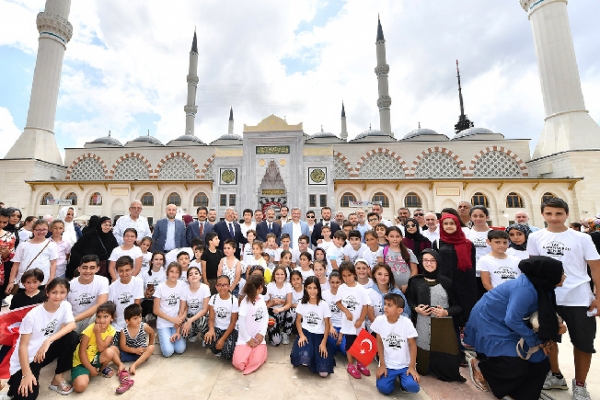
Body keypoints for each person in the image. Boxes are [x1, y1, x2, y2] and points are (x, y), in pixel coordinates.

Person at [464, 257, 566, 400]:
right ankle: (481, 366)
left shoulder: (543, 285)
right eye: (561, 273)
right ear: (548, 273)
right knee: (514, 365)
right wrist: (535, 341)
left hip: (510, 323)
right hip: (490, 322)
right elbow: (512, 320)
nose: (564, 276)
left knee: (541, 362)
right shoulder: (525, 289)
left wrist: (546, 337)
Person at [527, 198, 600, 397]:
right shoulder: (535, 238)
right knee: (548, 340)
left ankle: (581, 384)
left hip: (579, 298)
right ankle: (555, 375)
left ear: (567, 214)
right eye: (549, 213)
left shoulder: (582, 238)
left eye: (559, 213)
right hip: (550, 299)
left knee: (583, 343)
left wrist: (598, 296)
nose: (554, 218)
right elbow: (535, 270)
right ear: (542, 215)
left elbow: (596, 268)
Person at [5, 278, 79, 399]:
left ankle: (57, 378)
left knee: (72, 337)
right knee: (27, 396)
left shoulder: (65, 305)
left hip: (45, 351)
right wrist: (26, 374)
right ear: (47, 292)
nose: (58, 296)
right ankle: (14, 383)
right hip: (28, 358)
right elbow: (22, 346)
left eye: (62, 292)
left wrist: (48, 340)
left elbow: (72, 325)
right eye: (54, 292)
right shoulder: (32, 315)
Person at [406, 249, 464, 382]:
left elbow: (459, 306)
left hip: (444, 327)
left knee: (448, 367)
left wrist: (446, 312)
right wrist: (416, 309)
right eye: (425, 260)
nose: (429, 263)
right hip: (422, 325)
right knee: (422, 368)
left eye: (432, 260)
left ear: (438, 262)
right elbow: (409, 300)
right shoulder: (415, 281)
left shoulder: (447, 282)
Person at [71, 301, 132, 394]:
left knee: (112, 350)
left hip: (95, 356)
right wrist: (90, 368)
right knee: (80, 387)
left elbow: (101, 348)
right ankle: (87, 373)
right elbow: (81, 352)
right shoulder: (90, 329)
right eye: (99, 316)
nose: (101, 320)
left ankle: (103, 368)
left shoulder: (111, 330)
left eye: (106, 316)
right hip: (82, 362)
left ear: (112, 317)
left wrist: (97, 333)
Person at [372, 293, 421, 395]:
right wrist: (382, 365)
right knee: (384, 389)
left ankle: (404, 380)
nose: (385, 307)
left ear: (399, 310)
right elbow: (379, 343)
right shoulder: (379, 321)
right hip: (388, 364)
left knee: (413, 387)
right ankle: (393, 378)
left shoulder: (406, 322)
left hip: (405, 365)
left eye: (389, 305)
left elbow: (412, 345)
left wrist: (411, 367)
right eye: (385, 304)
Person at [290, 276, 335, 377]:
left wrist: (323, 342)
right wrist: (301, 335)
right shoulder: (302, 303)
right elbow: (298, 321)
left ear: (319, 289)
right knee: (304, 360)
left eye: (315, 288)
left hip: (320, 335)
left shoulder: (323, 305)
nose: (312, 291)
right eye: (309, 288)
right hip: (306, 333)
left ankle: (317, 358)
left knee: (323, 373)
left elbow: (327, 324)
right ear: (305, 288)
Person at [336, 261, 371, 379]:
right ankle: (350, 365)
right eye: (344, 276)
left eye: (349, 275)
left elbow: (365, 306)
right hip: (348, 324)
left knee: (360, 344)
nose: (347, 278)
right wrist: (346, 311)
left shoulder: (361, 289)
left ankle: (360, 363)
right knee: (349, 344)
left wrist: (361, 320)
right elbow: (338, 303)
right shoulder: (342, 288)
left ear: (354, 274)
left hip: (359, 324)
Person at [6, 220, 57, 294]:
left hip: (42, 281)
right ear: (33, 230)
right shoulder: (23, 245)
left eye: (44, 229)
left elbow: (53, 263)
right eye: (38, 229)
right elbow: (16, 264)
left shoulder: (52, 245)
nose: (41, 232)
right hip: (23, 281)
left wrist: (51, 279)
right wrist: (11, 282)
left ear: (48, 230)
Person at [232, 274, 269, 375]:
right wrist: (248, 339)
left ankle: (257, 352)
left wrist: (262, 333)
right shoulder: (245, 302)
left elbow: (265, 317)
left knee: (256, 361)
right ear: (260, 287)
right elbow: (241, 323)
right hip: (245, 338)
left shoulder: (261, 299)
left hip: (258, 338)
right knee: (239, 364)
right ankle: (249, 352)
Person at [67, 254, 110, 333]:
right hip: (74, 320)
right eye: (85, 267)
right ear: (79, 269)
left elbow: (100, 305)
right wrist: (72, 320)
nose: (88, 271)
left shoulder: (102, 281)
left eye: (92, 268)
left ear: (98, 269)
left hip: (91, 319)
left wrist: (74, 319)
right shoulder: (69, 285)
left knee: (101, 315)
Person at [153, 262, 187, 357]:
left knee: (180, 349)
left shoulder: (183, 285)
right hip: (164, 323)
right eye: (171, 271)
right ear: (167, 272)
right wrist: (173, 319)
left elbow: (185, 306)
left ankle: (170, 337)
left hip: (177, 323)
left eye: (177, 272)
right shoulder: (160, 287)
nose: (174, 274)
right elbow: (156, 310)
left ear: (180, 274)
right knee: (168, 352)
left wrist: (180, 320)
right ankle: (160, 337)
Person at [108, 256, 144, 343]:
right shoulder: (112, 287)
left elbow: (137, 304)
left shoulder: (138, 282)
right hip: (117, 326)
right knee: (116, 350)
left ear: (132, 269)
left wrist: (133, 323)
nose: (124, 273)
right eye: (121, 271)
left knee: (137, 349)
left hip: (133, 323)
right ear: (117, 271)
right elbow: (110, 307)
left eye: (127, 270)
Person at [367, 263, 410, 333]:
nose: (383, 277)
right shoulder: (369, 292)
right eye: (379, 274)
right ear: (374, 275)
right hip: (375, 331)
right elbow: (370, 315)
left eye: (386, 275)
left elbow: (405, 313)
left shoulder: (397, 293)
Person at [204, 275, 239, 359]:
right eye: (219, 285)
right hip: (217, 328)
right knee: (208, 340)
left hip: (229, 329)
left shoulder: (233, 300)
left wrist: (223, 339)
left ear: (229, 286)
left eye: (225, 285)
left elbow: (233, 322)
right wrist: (211, 330)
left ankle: (225, 345)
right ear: (216, 286)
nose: (222, 287)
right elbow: (211, 318)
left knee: (228, 354)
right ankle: (218, 348)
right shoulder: (214, 298)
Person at [119, 303, 155, 375]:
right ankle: (139, 359)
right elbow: (123, 346)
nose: (139, 320)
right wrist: (134, 350)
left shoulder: (143, 326)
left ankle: (134, 365)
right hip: (130, 351)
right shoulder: (124, 331)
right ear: (127, 321)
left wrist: (149, 345)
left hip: (141, 351)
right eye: (135, 318)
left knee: (151, 348)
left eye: (140, 317)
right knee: (117, 353)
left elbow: (152, 332)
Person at [383, 226, 418, 293]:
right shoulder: (383, 251)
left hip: (407, 288)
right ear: (386, 237)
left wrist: (408, 285)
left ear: (401, 237)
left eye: (397, 236)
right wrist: (392, 284)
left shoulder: (408, 252)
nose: (395, 239)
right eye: (392, 236)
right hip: (390, 288)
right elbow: (381, 270)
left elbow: (414, 270)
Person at [180, 266, 211, 343]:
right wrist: (182, 322)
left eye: (196, 273)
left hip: (201, 316)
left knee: (202, 322)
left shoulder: (205, 288)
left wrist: (190, 321)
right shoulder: (184, 290)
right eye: (190, 274)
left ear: (200, 276)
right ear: (187, 279)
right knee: (183, 330)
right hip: (190, 315)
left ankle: (204, 335)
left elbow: (205, 309)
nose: (194, 275)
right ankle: (193, 334)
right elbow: (182, 309)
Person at [265, 266, 293, 346]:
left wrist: (281, 308)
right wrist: (273, 302)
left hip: (283, 311)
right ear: (274, 275)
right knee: (276, 342)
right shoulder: (270, 286)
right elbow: (266, 306)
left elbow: (289, 303)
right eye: (277, 274)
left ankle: (285, 333)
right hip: (272, 311)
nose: (280, 276)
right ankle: (273, 330)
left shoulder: (288, 285)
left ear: (285, 275)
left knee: (292, 313)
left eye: (282, 274)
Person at [0, 208, 18, 305]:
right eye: (0, 221)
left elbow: (9, 256)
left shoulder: (9, 236)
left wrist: (5, 253)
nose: (1, 225)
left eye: (5, 222)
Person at [140, 251, 166, 319]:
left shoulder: (165, 273)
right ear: (152, 261)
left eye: (161, 259)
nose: (158, 261)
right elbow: (138, 288)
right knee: (148, 303)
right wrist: (145, 293)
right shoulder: (144, 273)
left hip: (160, 300)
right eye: (156, 259)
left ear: (163, 261)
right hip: (147, 300)